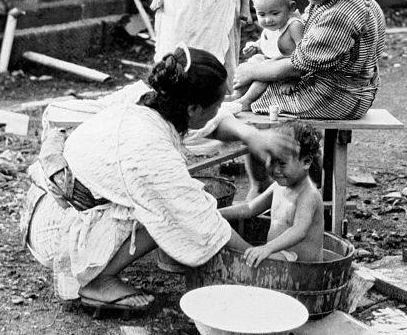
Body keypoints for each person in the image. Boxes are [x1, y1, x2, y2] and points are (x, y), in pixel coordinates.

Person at [20, 45, 297, 313]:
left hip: (54, 203)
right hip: (55, 230)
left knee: (171, 204)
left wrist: (252, 135)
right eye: (216, 103)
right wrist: (256, 254)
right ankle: (97, 281)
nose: (220, 107)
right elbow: (200, 218)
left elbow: (210, 124)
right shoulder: (151, 150)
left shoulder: (149, 97)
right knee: (168, 213)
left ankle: (102, 263)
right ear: (193, 109)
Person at [232, 0, 387, 193]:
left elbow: (299, 64)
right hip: (340, 85)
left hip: (341, 95)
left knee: (256, 110)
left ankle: (289, 190)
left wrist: (253, 72)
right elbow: (300, 48)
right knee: (258, 87)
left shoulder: (342, 12)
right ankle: (298, 187)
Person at [220, 121, 324, 266]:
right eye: (271, 162)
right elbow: (249, 208)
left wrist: (267, 248)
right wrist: (217, 213)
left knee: (233, 243)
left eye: (282, 164)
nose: (275, 170)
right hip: (279, 256)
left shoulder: (308, 195)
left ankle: (244, 256)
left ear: (306, 162)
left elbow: (299, 231)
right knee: (222, 228)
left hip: (300, 266)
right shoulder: (278, 187)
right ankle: (243, 252)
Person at [234, 0, 305, 112]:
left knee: (264, 66)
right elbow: (269, 39)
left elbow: (304, 57)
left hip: (287, 71)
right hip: (273, 64)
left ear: (291, 8)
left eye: (274, 13)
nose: (268, 20)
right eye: (261, 15)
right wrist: (256, 46)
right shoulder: (273, 25)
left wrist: (293, 81)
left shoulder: (294, 26)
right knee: (255, 59)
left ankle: (247, 101)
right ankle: (238, 94)